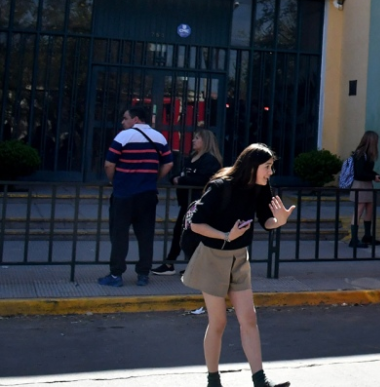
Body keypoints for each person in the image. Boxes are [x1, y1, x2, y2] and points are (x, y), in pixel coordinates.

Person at [182, 143, 295, 387]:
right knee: (218, 322)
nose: (270, 172)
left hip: (239, 258)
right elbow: (196, 224)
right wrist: (226, 235)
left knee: (249, 318)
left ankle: (260, 380)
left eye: (271, 167)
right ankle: (213, 380)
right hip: (212, 257)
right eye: (267, 167)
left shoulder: (260, 187)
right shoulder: (220, 186)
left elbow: (267, 221)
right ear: (252, 166)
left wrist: (280, 220)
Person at [100, 105, 174, 288]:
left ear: (136, 119)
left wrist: (114, 181)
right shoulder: (159, 137)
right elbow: (169, 163)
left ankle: (116, 274)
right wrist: (153, 178)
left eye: (125, 118)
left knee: (119, 235)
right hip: (147, 194)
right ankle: (143, 274)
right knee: (146, 235)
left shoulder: (123, 136)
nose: (122, 122)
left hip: (123, 194)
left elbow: (109, 164)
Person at [153, 128, 223, 276]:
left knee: (191, 234)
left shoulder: (210, 160)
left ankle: (187, 264)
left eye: (197, 138)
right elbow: (179, 174)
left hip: (200, 203)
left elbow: (203, 180)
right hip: (187, 202)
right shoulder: (191, 157)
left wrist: (182, 180)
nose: (193, 140)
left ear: (205, 141)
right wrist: (176, 179)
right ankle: (174, 263)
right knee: (182, 232)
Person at [348, 131, 380, 248]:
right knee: (359, 211)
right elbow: (360, 173)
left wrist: (379, 178)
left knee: (369, 209)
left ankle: (367, 236)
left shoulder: (367, 155)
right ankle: (354, 239)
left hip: (366, 185)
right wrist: (374, 177)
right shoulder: (360, 154)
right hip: (360, 185)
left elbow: (368, 172)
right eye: (375, 140)